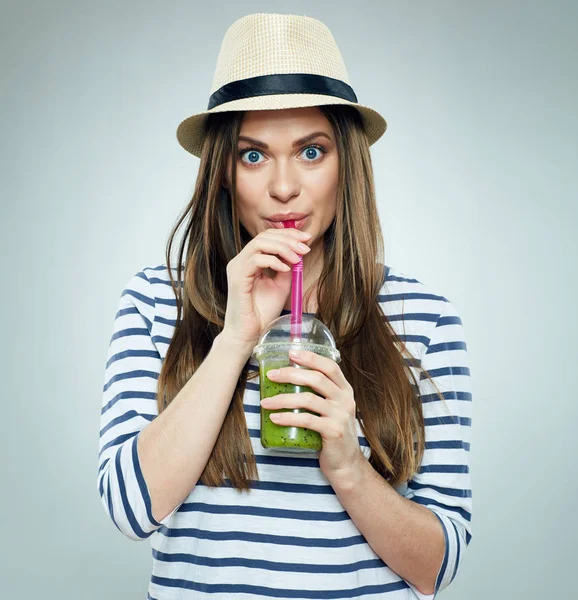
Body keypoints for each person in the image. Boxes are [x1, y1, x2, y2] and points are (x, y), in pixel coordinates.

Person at [97, 12, 472, 600]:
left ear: (347, 164)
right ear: (222, 171)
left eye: (311, 151)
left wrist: (349, 466)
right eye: (253, 155)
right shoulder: (156, 301)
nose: (282, 187)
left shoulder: (422, 315)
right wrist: (235, 339)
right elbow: (130, 510)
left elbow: (438, 566)